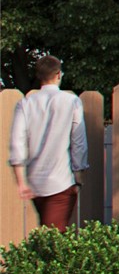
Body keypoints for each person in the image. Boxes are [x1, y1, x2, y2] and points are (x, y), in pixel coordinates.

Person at [10, 54, 87, 230]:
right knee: (53, 240)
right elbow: (79, 142)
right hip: (61, 182)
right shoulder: (72, 102)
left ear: (39, 76)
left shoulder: (25, 104)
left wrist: (21, 182)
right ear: (58, 74)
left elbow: (17, 143)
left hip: (35, 182)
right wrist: (79, 176)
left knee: (48, 233)